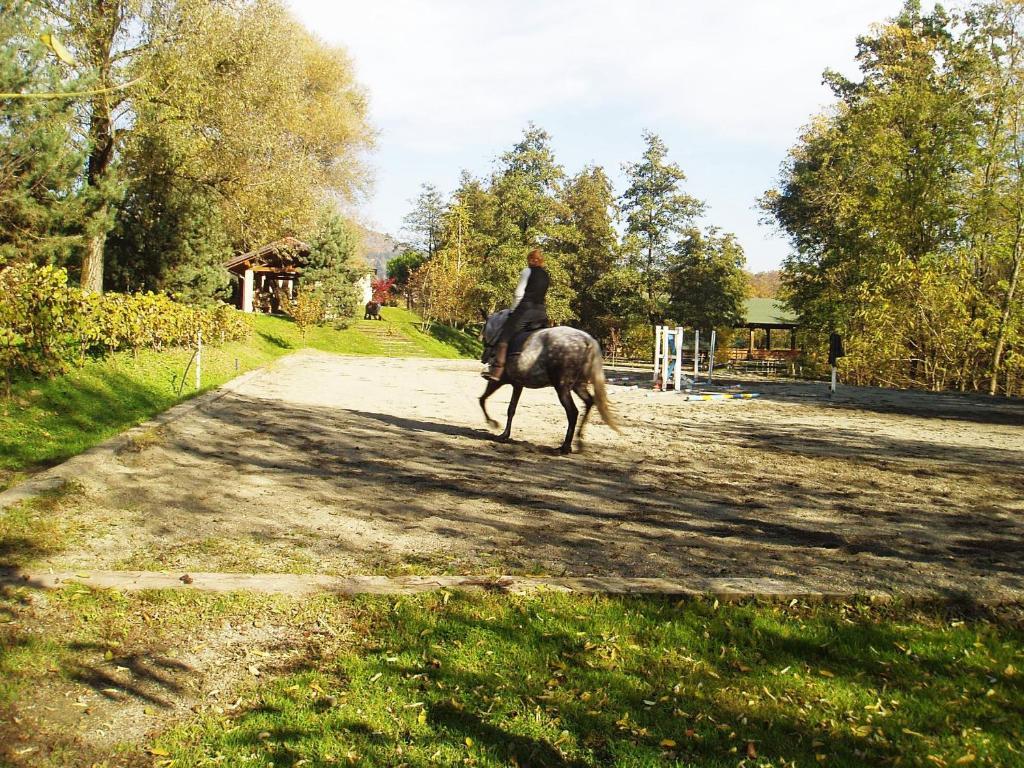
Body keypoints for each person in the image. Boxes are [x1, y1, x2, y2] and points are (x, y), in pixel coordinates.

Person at [487, 248, 550, 380]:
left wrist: (513, 311)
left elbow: (518, 293)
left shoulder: (527, 271)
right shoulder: (545, 275)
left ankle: (497, 370)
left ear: (530, 260)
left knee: (504, 336)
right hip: (541, 313)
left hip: (525, 311)